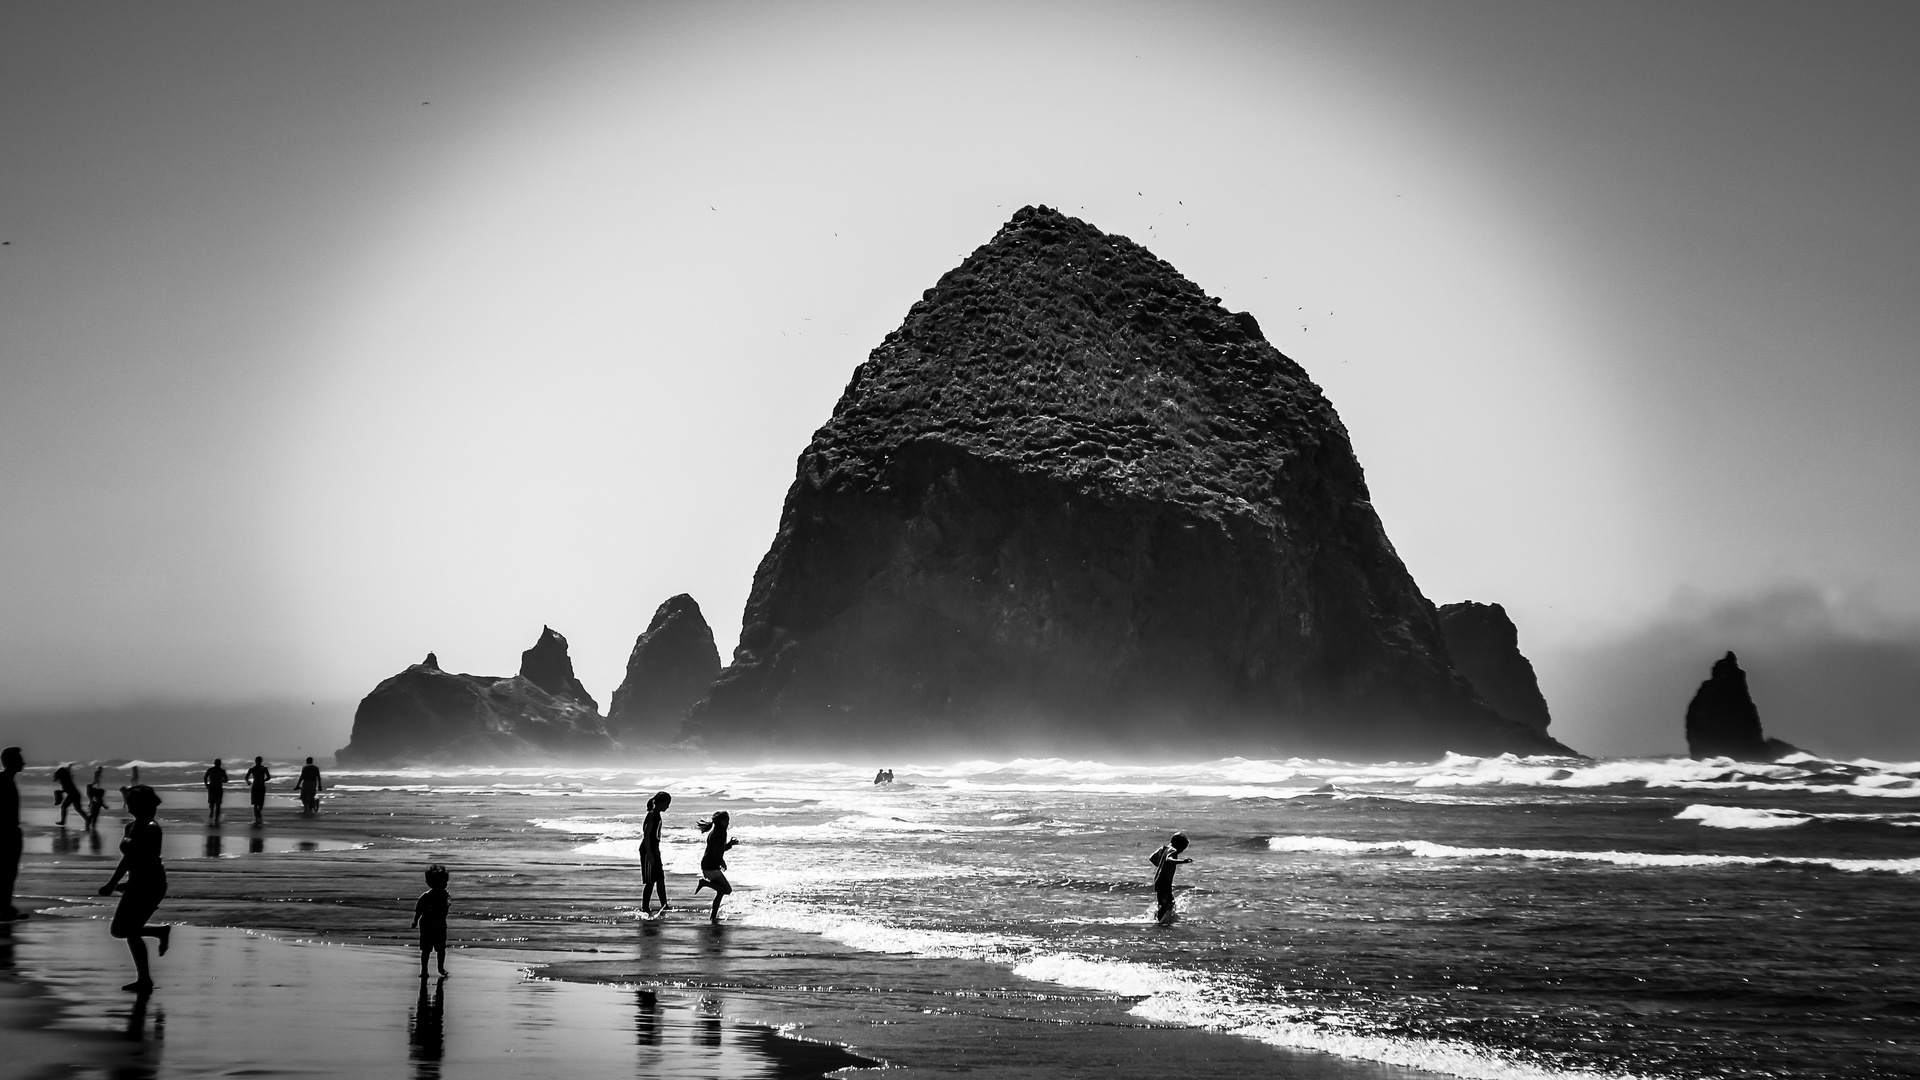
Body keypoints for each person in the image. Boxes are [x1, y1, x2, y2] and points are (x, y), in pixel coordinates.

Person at [98, 784, 171, 991]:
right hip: (137, 882)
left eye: (132, 803)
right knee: (125, 930)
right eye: (128, 802)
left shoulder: (150, 828)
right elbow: (130, 860)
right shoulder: (130, 827)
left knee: (124, 930)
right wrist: (127, 882)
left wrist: (112, 884)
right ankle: (145, 977)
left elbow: (133, 859)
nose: (129, 807)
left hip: (151, 884)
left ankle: (158, 936)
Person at [692, 811, 737, 923]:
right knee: (727, 889)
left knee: (721, 891)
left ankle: (713, 916)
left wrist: (729, 845)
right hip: (711, 865)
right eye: (727, 820)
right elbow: (717, 852)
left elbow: (719, 849)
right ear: (721, 821)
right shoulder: (721, 832)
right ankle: (704, 883)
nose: (728, 822)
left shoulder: (715, 832)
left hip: (708, 864)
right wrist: (722, 861)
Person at [411, 864, 451, 977]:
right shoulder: (426, 896)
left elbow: (446, 907)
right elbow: (419, 910)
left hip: (440, 925)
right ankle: (424, 970)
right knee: (426, 950)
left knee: (441, 949)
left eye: (446, 882)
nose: (445, 884)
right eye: (443, 882)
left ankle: (440, 968)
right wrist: (415, 920)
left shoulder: (445, 895)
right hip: (427, 926)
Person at [639, 791, 672, 915]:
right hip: (648, 850)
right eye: (667, 804)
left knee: (660, 878)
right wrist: (650, 855)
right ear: (661, 802)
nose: (667, 807)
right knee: (650, 881)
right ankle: (645, 907)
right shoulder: (652, 815)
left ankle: (664, 905)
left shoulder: (657, 815)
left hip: (654, 848)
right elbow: (646, 835)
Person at [2, 747, 25, 921]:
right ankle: (4, 908)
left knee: (10, 872)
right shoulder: (3, 781)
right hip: (6, 832)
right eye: (19, 759)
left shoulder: (7, 780)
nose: (23, 762)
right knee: (7, 871)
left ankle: (6, 906)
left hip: (10, 831)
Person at [1149, 831, 1191, 923]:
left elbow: (1152, 858)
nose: (1182, 851)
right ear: (1177, 843)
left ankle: (1158, 918)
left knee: (1169, 903)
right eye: (1182, 848)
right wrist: (1183, 861)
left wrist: (1161, 866)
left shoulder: (1163, 848)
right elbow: (1168, 860)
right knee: (1165, 904)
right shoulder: (1173, 850)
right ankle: (1160, 922)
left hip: (1159, 880)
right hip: (1164, 881)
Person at [244, 756, 271, 826]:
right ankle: (257, 817)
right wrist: (263, 780)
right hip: (259, 786)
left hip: (257, 786)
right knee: (258, 803)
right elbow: (268, 777)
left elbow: (246, 777)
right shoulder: (257, 769)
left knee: (257, 804)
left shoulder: (257, 769)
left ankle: (257, 817)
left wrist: (248, 782)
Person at [203, 759, 228, 823]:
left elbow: (205, 777)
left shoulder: (210, 770)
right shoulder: (222, 771)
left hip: (212, 788)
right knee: (218, 804)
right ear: (220, 764)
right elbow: (226, 780)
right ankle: (216, 818)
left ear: (214, 763)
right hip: (218, 788)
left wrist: (206, 784)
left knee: (212, 803)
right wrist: (220, 780)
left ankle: (212, 813)